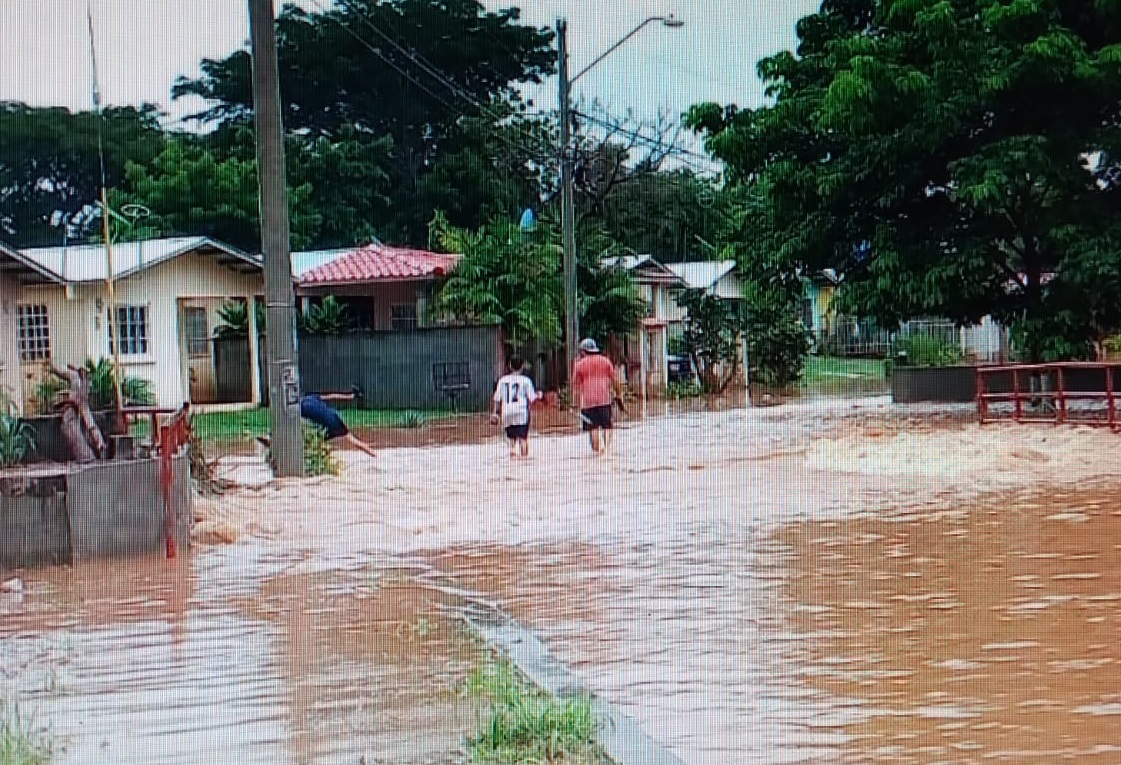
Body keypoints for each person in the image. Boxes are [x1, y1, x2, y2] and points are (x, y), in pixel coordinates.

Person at [256, 389, 378, 459]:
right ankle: (373, 454)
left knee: (310, 441)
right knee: (352, 440)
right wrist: (350, 396)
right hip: (335, 417)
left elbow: (287, 424)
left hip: (327, 425)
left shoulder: (298, 409)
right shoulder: (312, 398)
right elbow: (332, 396)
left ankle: (275, 442)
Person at [571, 338, 617, 454]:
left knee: (593, 427)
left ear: (583, 351)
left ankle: (597, 452)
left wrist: (574, 403)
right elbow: (614, 380)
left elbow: (574, 384)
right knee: (607, 426)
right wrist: (618, 394)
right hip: (604, 399)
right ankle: (606, 450)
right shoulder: (606, 361)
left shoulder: (579, 364)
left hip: (587, 401)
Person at [491, 355, 542, 458]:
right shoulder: (526, 380)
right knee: (523, 439)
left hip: (507, 412)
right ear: (522, 366)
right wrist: (539, 395)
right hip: (521, 412)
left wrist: (495, 413)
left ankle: (513, 458)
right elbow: (532, 398)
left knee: (511, 441)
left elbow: (496, 398)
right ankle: (524, 462)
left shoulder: (502, 380)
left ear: (510, 366)